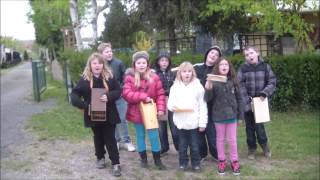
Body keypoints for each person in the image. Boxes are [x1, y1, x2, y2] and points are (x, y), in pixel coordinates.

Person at [71, 53, 121, 177]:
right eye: (94, 63)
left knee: (110, 138)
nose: (97, 65)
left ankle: (115, 163)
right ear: (90, 65)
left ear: (103, 65)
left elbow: (119, 91)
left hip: (109, 114)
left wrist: (108, 96)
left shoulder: (110, 77)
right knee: (98, 137)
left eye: (99, 63)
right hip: (93, 115)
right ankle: (100, 158)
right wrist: (84, 105)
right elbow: (74, 95)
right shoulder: (85, 79)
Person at [122, 51, 166, 170]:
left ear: (147, 64)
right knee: (140, 136)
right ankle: (143, 159)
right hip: (137, 112)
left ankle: (157, 160)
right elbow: (126, 93)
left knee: (154, 136)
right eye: (139, 63)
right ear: (134, 64)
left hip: (151, 112)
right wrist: (142, 96)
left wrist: (161, 108)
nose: (141, 65)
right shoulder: (130, 78)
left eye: (143, 62)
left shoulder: (154, 77)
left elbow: (161, 94)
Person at [204, 57, 243, 175]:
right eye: (221, 65)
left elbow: (240, 99)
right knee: (220, 139)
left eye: (226, 64)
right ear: (217, 67)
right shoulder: (214, 81)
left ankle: (234, 161)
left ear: (229, 67)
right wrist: (208, 87)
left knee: (232, 140)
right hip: (218, 116)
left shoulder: (234, 81)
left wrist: (240, 116)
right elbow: (207, 99)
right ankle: (221, 160)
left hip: (232, 115)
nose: (224, 66)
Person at [237, 45, 276, 160]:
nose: (249, 56)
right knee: (249, 128)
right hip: (247, 102)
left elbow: (272, 81)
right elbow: (239, 84)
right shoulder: (243, 68)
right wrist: (246, 99)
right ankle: (251, 149)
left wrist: (265, 93)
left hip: (260, 101)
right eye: (247, 55)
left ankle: (264, 146)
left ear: (257, 53)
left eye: (251, 53)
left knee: (259, 127)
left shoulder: (265, 67)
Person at [167, 62, 208, 172]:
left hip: (194, 123)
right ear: (180, 73)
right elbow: (170, 104)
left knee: (195, 145)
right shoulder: (175, 87)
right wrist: (173, 107)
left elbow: (203, 106)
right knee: (182, 146)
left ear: (193, 73)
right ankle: (183, 163)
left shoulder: (198, 87)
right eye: (184, 71)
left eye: (189, 71)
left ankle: (196, 164)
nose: (187, 74)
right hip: (180, 123)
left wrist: (202, 123)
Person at [97, 42, 136, 152]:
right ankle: (117, 141)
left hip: (119, 96)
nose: (109, 53)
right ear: (101, 54)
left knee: (122, 119)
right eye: (106, 52)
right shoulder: (99, 65)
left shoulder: (119, 63)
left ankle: (127, 141)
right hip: (106, 97)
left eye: (110, 51)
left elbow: (125, 79)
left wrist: (122, 89)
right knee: (111, 120)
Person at [194, 46, 221, 161]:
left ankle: (216, 155)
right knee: (198, 132)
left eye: (216, 55)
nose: (213, 55)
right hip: (196, 107)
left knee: (212, 134)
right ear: (207, 54)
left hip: (211, 107)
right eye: (212, 52)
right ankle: (202, 154)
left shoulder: (218, 71)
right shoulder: (196, 67)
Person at [153, 53, 179, 154]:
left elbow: (176, 86)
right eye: (162, 60)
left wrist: (168, 92)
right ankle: (164, 147)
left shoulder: (173, 73)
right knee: (161, 127)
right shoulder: (154, 74)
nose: (164, 63)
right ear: (158, 62)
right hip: (160, 103)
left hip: (172, 102)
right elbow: (155, 88)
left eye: (166, 61)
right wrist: (163, 93)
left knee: (174, 126)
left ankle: (179, 147)